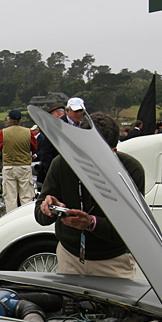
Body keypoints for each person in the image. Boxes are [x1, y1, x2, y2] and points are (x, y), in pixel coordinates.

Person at [35, 112, 145, 278]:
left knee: (115, 305)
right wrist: (49, 209)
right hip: (69, 257)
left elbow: (132, 228)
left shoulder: (131, 171)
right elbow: (39, 214)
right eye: (83, 152)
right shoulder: (62, 163)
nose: (87, 161)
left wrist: (92, 223)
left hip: (113, 261)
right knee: (67, 304)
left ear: (113, 152)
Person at [0, 109, 36, 214]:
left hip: (9, 166)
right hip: (24, 165)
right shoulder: (28, 132)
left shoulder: (3, 132)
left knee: (10, 198)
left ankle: (11, 219)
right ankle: (26, 218)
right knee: (26, 197)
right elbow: (34, 146)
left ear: (9, 119)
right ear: (20, 120)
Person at [34, 102, 66, 189]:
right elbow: (46, 155)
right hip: (50, 172)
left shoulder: (52, 129)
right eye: (59, 113)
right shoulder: (48, 131)